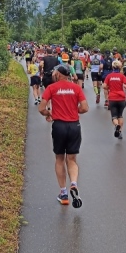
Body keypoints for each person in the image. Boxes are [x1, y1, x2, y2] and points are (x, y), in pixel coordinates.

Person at [38, 65, 89, 207]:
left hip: (59, 126)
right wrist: (74, 110)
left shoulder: (51, 88)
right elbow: (85, 108)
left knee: (59, 159)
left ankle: (64, 193)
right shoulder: (76, 88)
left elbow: (41, 108)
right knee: (72, 159)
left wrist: (49, 113)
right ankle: (74, 183)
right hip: (74, 126)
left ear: (58, 74)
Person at [103, 60, 126, 140]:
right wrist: (125, 87)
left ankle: (116, 125)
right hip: (121, 98)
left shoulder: (109, 76)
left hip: (112, 98)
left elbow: (104, 86)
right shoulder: (122, 76)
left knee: (114, 116)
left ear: (112, 67)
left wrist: (109, 87)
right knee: (120, 115)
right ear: (120, 67)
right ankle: (120, 132)